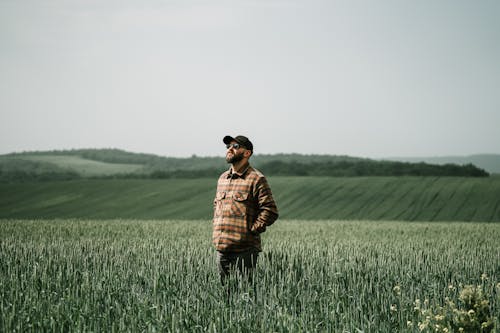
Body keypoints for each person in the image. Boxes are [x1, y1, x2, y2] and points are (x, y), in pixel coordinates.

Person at [212, 135, 279, 286]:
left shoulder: (256, 179)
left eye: (235, 146)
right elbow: (216, 207)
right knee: (224, 296)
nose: (230, 149)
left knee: (245, 296)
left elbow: (270, 210)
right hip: (222, 249)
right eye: (228, 146)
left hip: (245, 250)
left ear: (247, 153)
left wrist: (251, 231)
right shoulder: (222, 179)